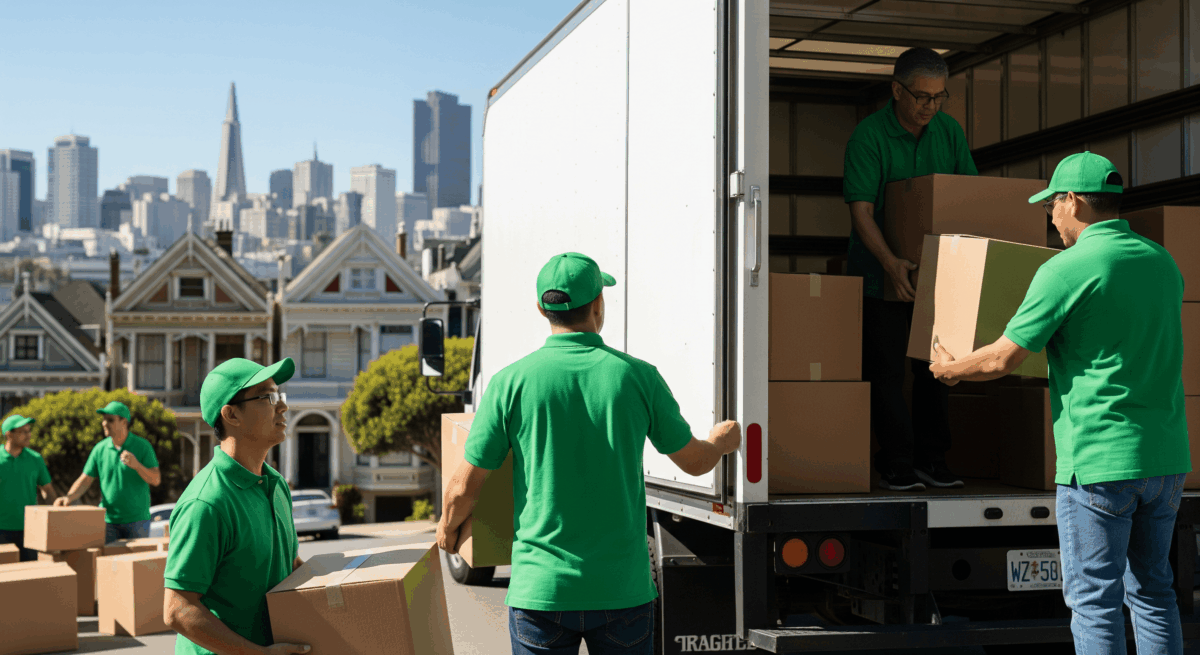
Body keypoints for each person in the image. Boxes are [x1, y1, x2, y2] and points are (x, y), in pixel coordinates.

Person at [929, 152, 1190, 654]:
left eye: (1052, 204)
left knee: (1094, 602)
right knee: (1155, 593)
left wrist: (948, 370)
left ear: (1072, 200)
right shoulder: (1163, 263)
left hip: (1098, 461)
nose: (1050, 216)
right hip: (1165, 460)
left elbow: (1001, 359)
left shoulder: (1066, 269)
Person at [437, 252, 742, 655]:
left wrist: (446, 529)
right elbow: (696, 461)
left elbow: (464, 487)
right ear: (598, 304)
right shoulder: (637, 377)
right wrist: (722, 441)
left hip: (540, 593)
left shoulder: (509, 383)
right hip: (622, 593)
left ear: (541, 308)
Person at [843, 46, 977, 491]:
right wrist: (890, 263)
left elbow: (965, 197)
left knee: (938, 368)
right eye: (922, 97)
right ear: (897, 90)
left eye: (939, 98)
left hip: (938, 276)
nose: (930, 107)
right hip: (880, 274)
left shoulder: (948, 132)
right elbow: (861, 210)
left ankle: (933, 459)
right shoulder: (869, 136)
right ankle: (896, 461)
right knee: (886, 370)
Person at [162, 357, 310, 655]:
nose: (282, 407)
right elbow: (178, 609)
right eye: (268, 398)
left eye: (280, 395)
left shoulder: (276, 485)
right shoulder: (206, 503)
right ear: (231, 414)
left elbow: (289, 565)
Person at [55, 401, 161, 542]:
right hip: (108, 522)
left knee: (134, 563)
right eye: (104, 419)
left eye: (110, 420)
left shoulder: (142, 446)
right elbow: (85, 479)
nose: (104, 423)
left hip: (137, 522)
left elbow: (156, 480)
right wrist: (68, 497)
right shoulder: (100, 449)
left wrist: (137, 465)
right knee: (108, 564)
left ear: (124, 422)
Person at [0, 414, 56, 561]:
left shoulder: (35, 459)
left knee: (29, 575)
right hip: (1, 529)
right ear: (9, 434)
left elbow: (47, 491)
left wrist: (57, 517)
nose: (28, 435)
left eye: (29, 430)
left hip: (30, 529)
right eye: (23, 431)